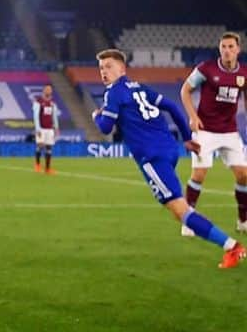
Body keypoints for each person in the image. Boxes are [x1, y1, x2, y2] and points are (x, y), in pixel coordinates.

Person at [93, 49, 245, 269]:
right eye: (101, 68)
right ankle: (228, 244)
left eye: (108, 66)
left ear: (121, 68)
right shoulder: (141, 88)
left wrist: (97, 116)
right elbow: (172, 107)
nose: (104, 72)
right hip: (169, 150)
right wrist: (186, 138)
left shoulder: (113, 93)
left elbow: (105, 128)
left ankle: (231, 247)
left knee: (180, 210)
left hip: (151, 156)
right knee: (178, 208)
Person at [178, 32, 247, 237]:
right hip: (205, 130)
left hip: (230, 132)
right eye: (223, 46)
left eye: (230, 47)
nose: (227, 50)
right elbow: (185, 90)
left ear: (238, 50)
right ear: (219, 49)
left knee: (244, 175)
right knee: (199, 174)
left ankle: (243, 221)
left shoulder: (243, 73)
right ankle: (188, 220)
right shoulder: (206, 69)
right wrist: (192, 116)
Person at [32, 84, 60, 174]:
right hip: (41, 129)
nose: (48, 91)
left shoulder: (52, 104)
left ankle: (47, 169)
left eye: (50, 89)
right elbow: (36, 116)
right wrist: (38, 129)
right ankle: (37, 165)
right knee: (40, 146)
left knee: (49, 148)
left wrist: (56, 128)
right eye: (47, 89)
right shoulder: (38, 102)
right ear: (44, 90)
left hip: (50, 129)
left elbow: (54, 117)